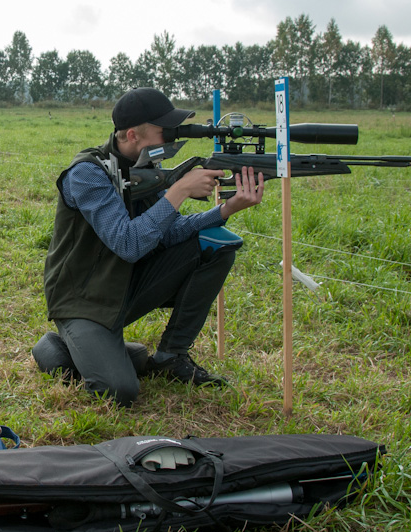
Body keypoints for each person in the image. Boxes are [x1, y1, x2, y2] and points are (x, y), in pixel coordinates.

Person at [33, 87, 266, 407]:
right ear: (133, 135)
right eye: (164, 132)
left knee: (216, 247)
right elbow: (127, 243)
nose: (170, 140)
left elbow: (169, 233)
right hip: (82, 300)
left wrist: (226, 210)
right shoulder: (87, 173)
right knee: (119, 390)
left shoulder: (143, 170)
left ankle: (171, 356)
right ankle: (56, 347)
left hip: (123, 286)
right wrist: (179, 191)